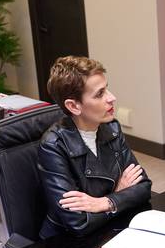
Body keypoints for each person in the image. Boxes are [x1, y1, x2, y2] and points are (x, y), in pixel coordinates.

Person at [38, 56, 151, 238]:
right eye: (100, 94)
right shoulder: (53, 146)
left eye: (107, 89)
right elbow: (78, 222)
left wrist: (105, 202)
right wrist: (119, 195)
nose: (112, 98)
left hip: (110, 229)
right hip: (65, 243)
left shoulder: (111, 127)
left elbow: (143, 187)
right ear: (74, 106)